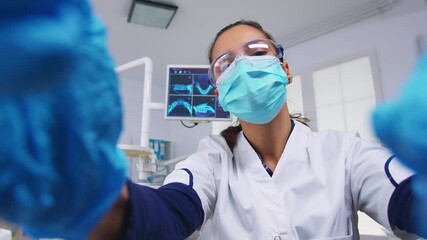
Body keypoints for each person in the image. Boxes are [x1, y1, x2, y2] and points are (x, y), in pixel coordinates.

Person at [88, 20, 426, 240]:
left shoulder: (346, 153)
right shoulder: (211, 162)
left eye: (257, 52)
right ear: (219, 92)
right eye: (226, 64)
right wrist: (99, 197)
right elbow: (169, 211)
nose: (244, 66)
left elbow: (407, 198)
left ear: (284, 68)